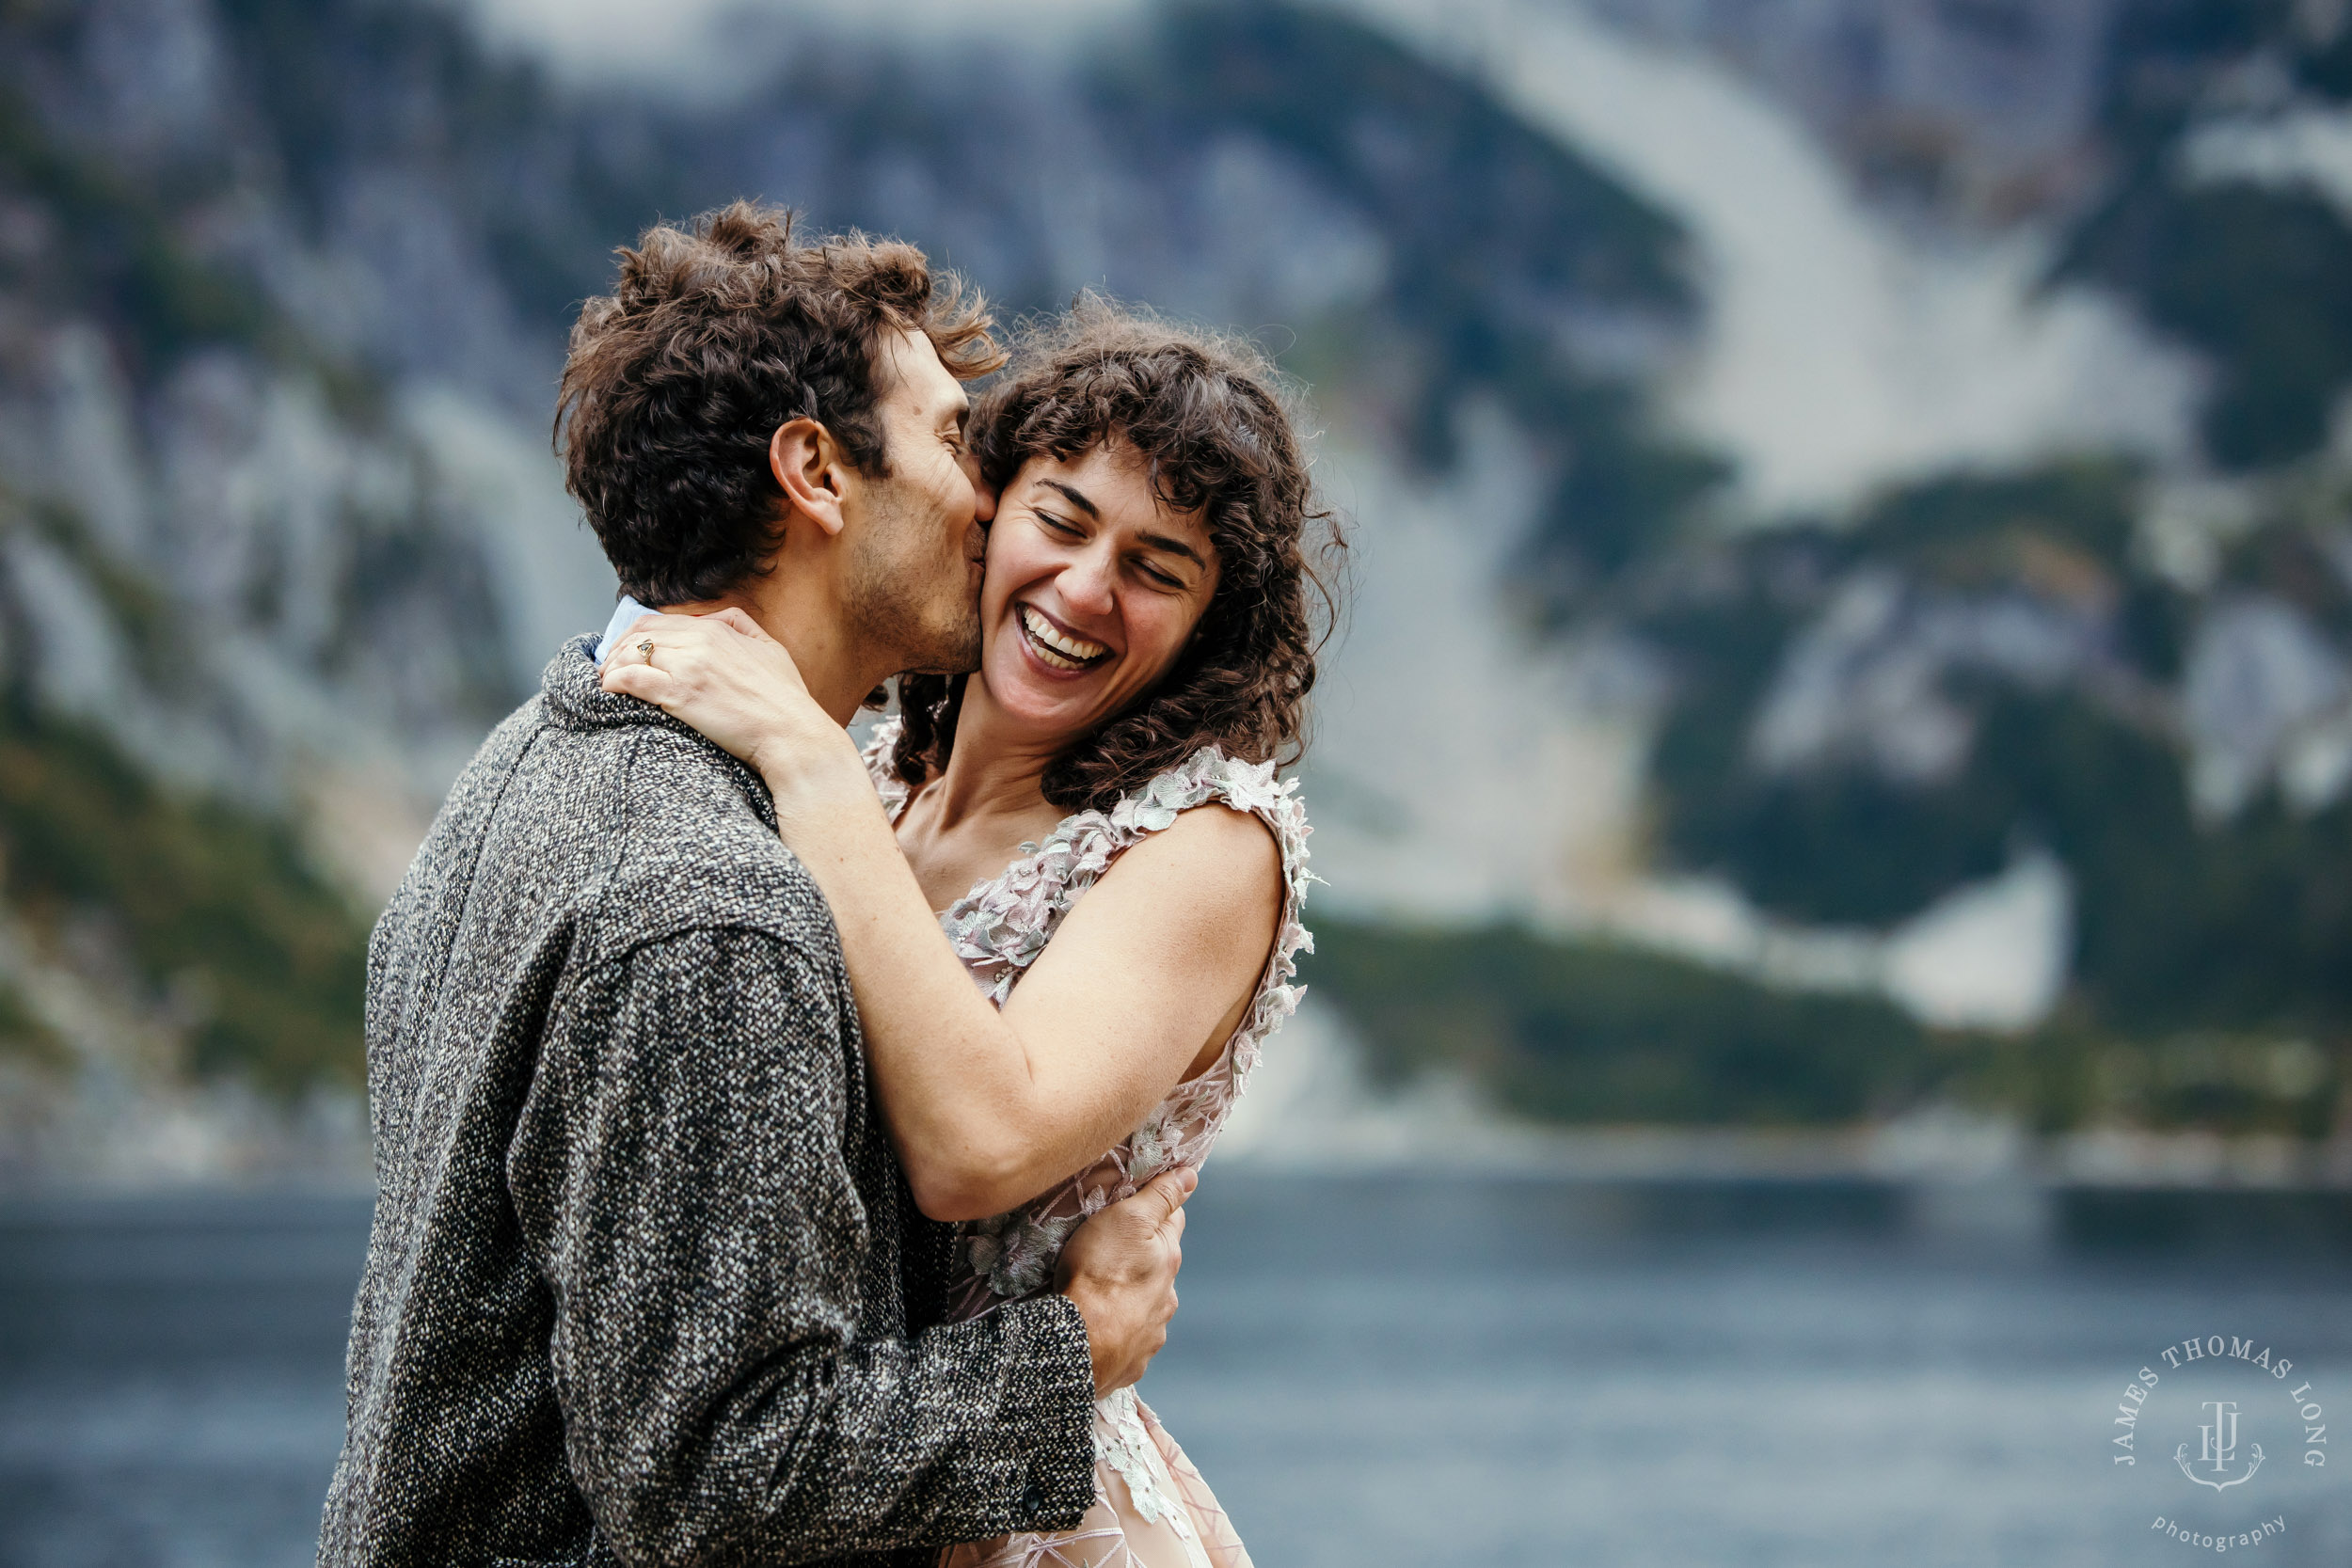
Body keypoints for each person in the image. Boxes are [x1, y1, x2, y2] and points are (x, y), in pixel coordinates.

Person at [319, 205, 1196, 1568]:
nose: (991, 498)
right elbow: (720, 1475)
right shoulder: (710, 907)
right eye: (956, 441)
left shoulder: (529, 755)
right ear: (817, 472)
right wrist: (1069, 1355)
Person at [602, 295, 1339, 1568]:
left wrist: (803, 760)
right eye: (1061, 521)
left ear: (1210, 627)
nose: (1085, 589)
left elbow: (977, 1148)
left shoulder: (1212, 842)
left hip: (1036, 1522)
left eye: (1157, 571)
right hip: (842, 1483)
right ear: (988, 512)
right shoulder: (884, 774)